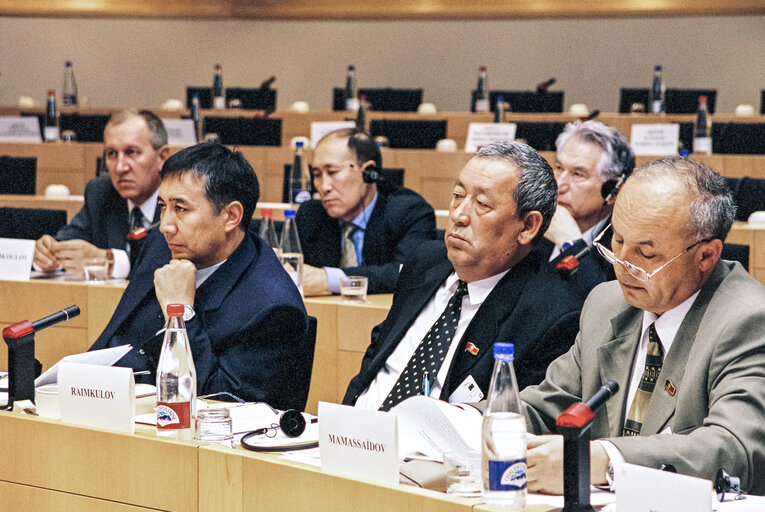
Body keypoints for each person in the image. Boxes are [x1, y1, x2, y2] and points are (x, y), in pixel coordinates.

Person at [521, 156, 765, 495]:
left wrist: (602, 459)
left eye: (646, 255)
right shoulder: (607, 302)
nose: (623, 264)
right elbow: (546, 406)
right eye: (618, 241)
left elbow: (733, 447)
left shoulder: (750, 320)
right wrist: (464, 421)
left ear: (706, 256)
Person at [344, 141, 581, 410]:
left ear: (527, 226)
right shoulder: (425, 261)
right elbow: (378, 355)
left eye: (481, 203)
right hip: (352, 433)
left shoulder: (550, 316)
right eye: (458, 195)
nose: (458, 215)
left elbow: (515, 423)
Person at [90, 142, 310, 409]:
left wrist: (181, 312)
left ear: (231, 216)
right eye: (163, 206)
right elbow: (114, 338)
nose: (166, 226)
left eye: (180, 208)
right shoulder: (163, 247)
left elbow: (222, 404)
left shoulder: (273, 306)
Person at [296, 128, 437, 295]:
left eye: (333, 172)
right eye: (317, 175)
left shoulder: (410, 212)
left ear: (369, 172)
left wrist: (330, 279)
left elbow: (408, 273)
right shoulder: (310, 215)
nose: (324, 186)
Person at [33, 109, 170, 279]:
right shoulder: (100, 193)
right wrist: (47, 253)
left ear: (162, 158)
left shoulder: (180, 202)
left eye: (131, 152)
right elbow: (67, 242)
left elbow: (176, 265)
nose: (120, 167)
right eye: (112, 154)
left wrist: (109, 261)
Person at [541, 120, 635, 300]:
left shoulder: (624, 250)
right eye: (559, 168)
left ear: (613, 191)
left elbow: (602, 306)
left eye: (578, 174)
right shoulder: (533, 227)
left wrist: (570, 243)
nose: (559, 184)